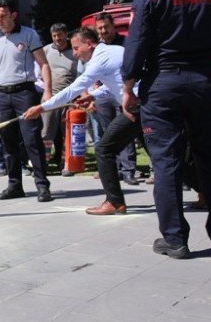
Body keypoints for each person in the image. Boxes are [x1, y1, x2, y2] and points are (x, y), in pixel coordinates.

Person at [121, 0, 211, 259]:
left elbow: (137, 43)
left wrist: (127, 85)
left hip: (163, 83)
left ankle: (175, 240)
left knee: (166, 162)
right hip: (204, 81)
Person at [24, 27, 132, 214]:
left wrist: (42, 107)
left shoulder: (98, 61)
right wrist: (94, 95)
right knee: (165, 154)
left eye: (76, 48)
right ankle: (201, 192)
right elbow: (116, 83)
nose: (74, 53)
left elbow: (72, 90)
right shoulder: (113, 51)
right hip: (143, 106)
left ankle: (114, 202)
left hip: (137, 109)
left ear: (89, 44)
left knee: (103, 148)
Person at [0, 0, 54, 202]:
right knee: (8, 143)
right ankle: (15, 185)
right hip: (1, 95)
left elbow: (44, 64)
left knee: (32, 141)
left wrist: (47, 90)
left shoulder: (28, 34)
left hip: (25, 93)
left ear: (13, 15)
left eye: (3, 16)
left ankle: (42, 186)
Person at [93, 12, 138, 184]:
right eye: (100, 28)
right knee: (108, 131)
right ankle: (115, 169)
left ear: (113, 26)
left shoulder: (126, 44)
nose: (103, 31)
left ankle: (128, 170)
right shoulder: (99, 48)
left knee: (125, 133)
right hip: (103, 94)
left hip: (123, 93)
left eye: (106, 27)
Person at [42, 23, 79, 169]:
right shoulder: (46, 50)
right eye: (54, 36)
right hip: (49, 97)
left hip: (69, 98)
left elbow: (81, 75)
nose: (57, 39)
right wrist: (46, 91)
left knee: (67, 132)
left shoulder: (74, 53)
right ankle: (43, 164)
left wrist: (76, 96)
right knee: (46, 131)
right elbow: (39, 72)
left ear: (66, 34)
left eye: (60, 35)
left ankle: (66, 164)